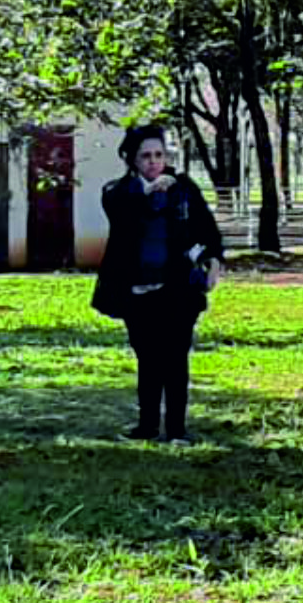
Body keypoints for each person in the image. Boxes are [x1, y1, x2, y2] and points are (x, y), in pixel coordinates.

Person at [92, 123, 223, 445]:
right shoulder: (117, 192)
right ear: (132, 160)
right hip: (137, 290)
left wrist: (215, 261)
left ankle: (177, 430)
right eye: (146, 156)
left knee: (176, 357)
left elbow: (207, 229)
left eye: (159, 155)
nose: (153, 162)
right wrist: (149, 194)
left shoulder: (184, 188)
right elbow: (121, 216)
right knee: (147, 358)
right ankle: (147, 425)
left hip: (178, 288)